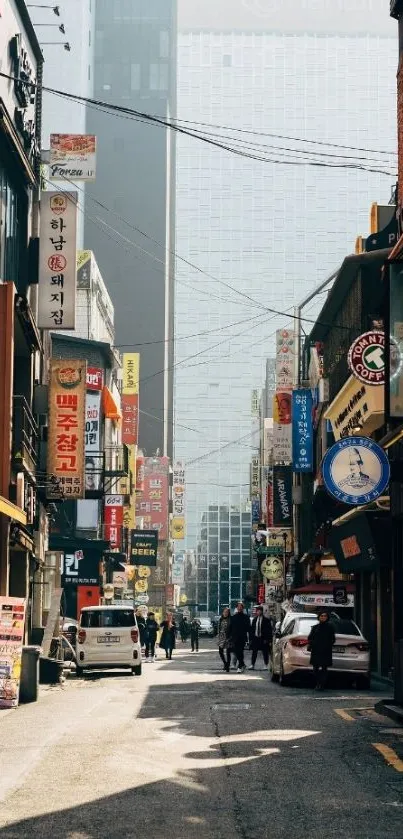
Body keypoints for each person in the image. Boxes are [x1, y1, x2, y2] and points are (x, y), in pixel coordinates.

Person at [308, 611, 336, 690]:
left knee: (324, 668)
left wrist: (327, 645)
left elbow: (332, 639)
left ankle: (322, 685)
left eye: (325, 616)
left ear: (327, 618)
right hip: (316, 650)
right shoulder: (315, 627)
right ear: (319, 617)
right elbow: (310, 638)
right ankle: (318, 683)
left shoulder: (330, 627)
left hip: (325, 651)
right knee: (315, 669)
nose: (323, 617)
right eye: (322, 616)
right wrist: (313, 644)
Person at [230, 602, 250, 673]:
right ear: (236, 608)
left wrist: (249, 639)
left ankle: (239, 666)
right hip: (234, 637)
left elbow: (248, 628)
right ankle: (242, 664)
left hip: (242, 637)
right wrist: (229, 637)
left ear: (243, 608)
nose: (239, 608)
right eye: (238, 607)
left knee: (240, 651)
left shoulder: (246, 617)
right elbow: (231, 628)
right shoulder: (233, 617)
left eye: (241, 607)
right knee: (236, 651)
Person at [217, 607, 232, 672]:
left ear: (228, 613)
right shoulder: (221, 619)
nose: (225, 613)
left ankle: (227, 665)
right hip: (221, 636)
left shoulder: (230, 619)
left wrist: (231, 637)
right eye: (224, 612)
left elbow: (232, 629)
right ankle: (225, 664)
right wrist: (218, 634)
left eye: (227, 612)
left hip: (228, 637)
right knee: (220, 651)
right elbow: (219, 627)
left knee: (228, 652)